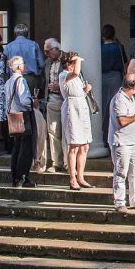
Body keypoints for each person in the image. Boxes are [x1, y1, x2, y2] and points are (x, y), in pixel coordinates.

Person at [108, 72, 135, 212]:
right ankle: (119, 202)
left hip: (132, 141)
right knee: (121, 172)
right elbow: (122, 121)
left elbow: (130, 117)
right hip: (121, 142)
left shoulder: (131, 98)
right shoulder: (119, 99)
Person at [59, 51, 95, 190]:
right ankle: (72, 178)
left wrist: (85, 90)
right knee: (74, 145)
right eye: (74, 63)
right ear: (69, 64)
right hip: (71, 110)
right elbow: (74, 74)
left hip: (82, 107)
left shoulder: (76, 76)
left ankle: (81, 177)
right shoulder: (64, 75)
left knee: (84, 145)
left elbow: (77, 90)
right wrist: (78, 59)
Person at [2, 56, 35, 188]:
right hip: (23, 116)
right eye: (24, 64)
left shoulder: (9, 81)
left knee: (16, 148)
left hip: (12, 116)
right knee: (25, 148)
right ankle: (22, 177)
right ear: (19, 67)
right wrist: (33, 102)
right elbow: (24, 100)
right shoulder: (21, 80)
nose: (25, 66)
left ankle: (15, 177)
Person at [38, 38, 65, 173]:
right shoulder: (47, 63)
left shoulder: (67, 60)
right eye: (45, 51)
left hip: (66, 101)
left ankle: (68, 162)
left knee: (67, 132)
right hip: (51, 100)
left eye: (48, 51)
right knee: (53, 132)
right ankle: (56, 162)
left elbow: (77, 79)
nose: (46, 54)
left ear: (56, 49)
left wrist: (59, 86)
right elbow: (43, 79)